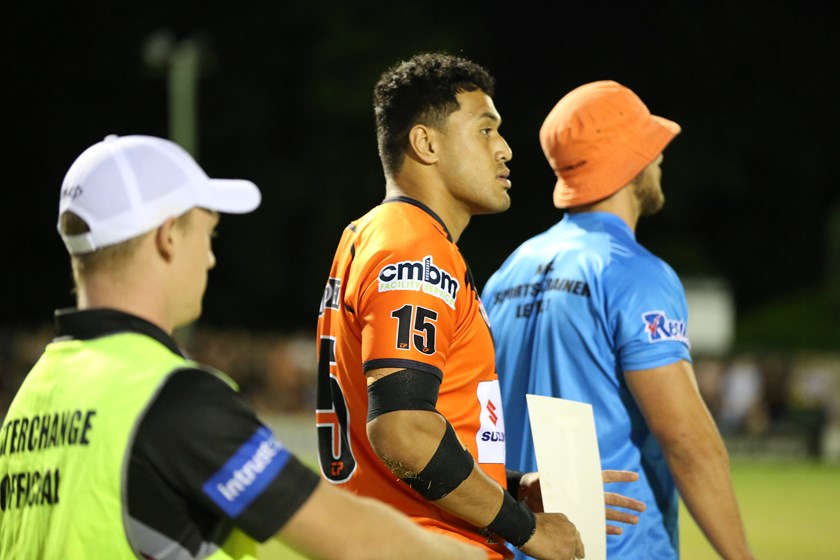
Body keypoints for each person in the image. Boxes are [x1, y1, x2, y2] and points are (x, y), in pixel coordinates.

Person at [0, 134, 489, 560]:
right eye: (207, 233)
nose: (210, 258)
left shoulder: (31, 397)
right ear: (169, 236)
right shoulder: (173, 398)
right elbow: (354, 541)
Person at [315, 53, 644, 560]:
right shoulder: (413, 247)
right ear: (426, 143)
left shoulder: (375, 236)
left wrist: (508, 486)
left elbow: (417, 425)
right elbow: (402, 431)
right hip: (426, 544)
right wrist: (526, 527)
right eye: (485, 130)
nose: (506, 150)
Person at [481, 81, 755, 559]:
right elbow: (688, 442)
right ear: (631, 162)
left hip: (519, 545)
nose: (660, 159)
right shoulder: (632, 271)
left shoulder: (508, 271)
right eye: (651, 148)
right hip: (616, 546)